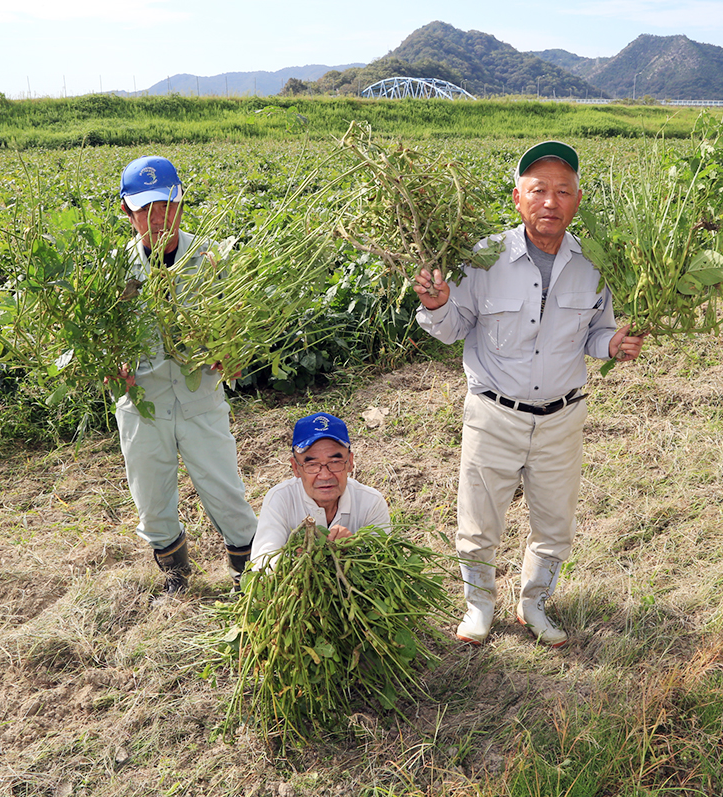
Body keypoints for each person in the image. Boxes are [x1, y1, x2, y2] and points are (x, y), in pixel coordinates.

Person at [413, 140, 644, 647]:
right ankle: (478, 606)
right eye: (538, 190)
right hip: (494, 412)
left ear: (576, 201)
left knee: (555, 523)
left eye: (563, 191)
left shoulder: (593, 264)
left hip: (562, 417)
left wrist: (615, 344)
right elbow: (452, 329)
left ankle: (533, 603)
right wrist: (436, 304)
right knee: (478, 521)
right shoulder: (484, 258)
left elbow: (595, 333)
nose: (550, 202)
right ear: (518, 197)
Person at [114, 155, 257, 598]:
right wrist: (108, 362)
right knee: (152, 505)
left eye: (164, 205)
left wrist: (233, 352)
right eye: (143, 209)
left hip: (200, 401)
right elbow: (101, 338)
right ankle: (175, 573)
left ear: (180, 202)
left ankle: (248, 575)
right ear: (126, 211)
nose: (155, 218)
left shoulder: (212, 259)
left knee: (226, 495)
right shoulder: (112, 271)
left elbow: (240, 327)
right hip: (143, 404)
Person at [250, 412, 391, 570]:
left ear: (350, 463)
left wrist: (355, 551)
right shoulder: (280, 499)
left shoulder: (371, 502)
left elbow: (384, 562)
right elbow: (261, 566)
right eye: (312, 465)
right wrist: (294, 561)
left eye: (335, 462)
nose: (325, 475)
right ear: (296, 468)